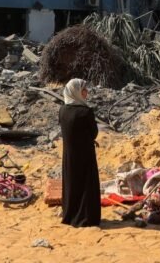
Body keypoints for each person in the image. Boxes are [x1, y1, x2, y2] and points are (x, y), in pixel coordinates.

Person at [59, 78, 101, 227]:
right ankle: (86, 218)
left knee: (72, 184)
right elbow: (93, 133)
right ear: (77, 91)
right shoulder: (85, 112)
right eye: (84, 89)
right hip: (85, 155)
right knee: (86, 185)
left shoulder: (63, 110)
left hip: (69, 156)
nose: (86, 92)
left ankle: (69, 215)